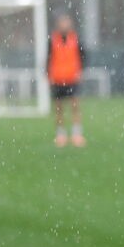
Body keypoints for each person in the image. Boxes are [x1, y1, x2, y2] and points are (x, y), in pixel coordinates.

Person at [47, 14, 86, 147]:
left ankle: (76, 134)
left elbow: (83, 56)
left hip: (72, 78)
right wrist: (48, 74)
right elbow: (48, 58)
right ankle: (61, 135)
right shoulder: (52, 40)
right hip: (57, 78)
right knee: (58, 108)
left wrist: (80, 72)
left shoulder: (76, 39)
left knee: (75, 106)